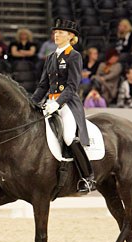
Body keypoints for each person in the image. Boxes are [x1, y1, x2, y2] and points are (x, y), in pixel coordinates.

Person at [31, 18, 96, 193]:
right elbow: (43, 85)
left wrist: (58, 103)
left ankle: (88, 177)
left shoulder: (74, 56)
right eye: (55, 32)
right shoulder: (51, 57)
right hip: (50, 102)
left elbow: (72, 86)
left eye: (60, 32)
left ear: (70, 36)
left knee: (68, 136)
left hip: (67, 103)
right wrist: (31, 103)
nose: (56, 35)